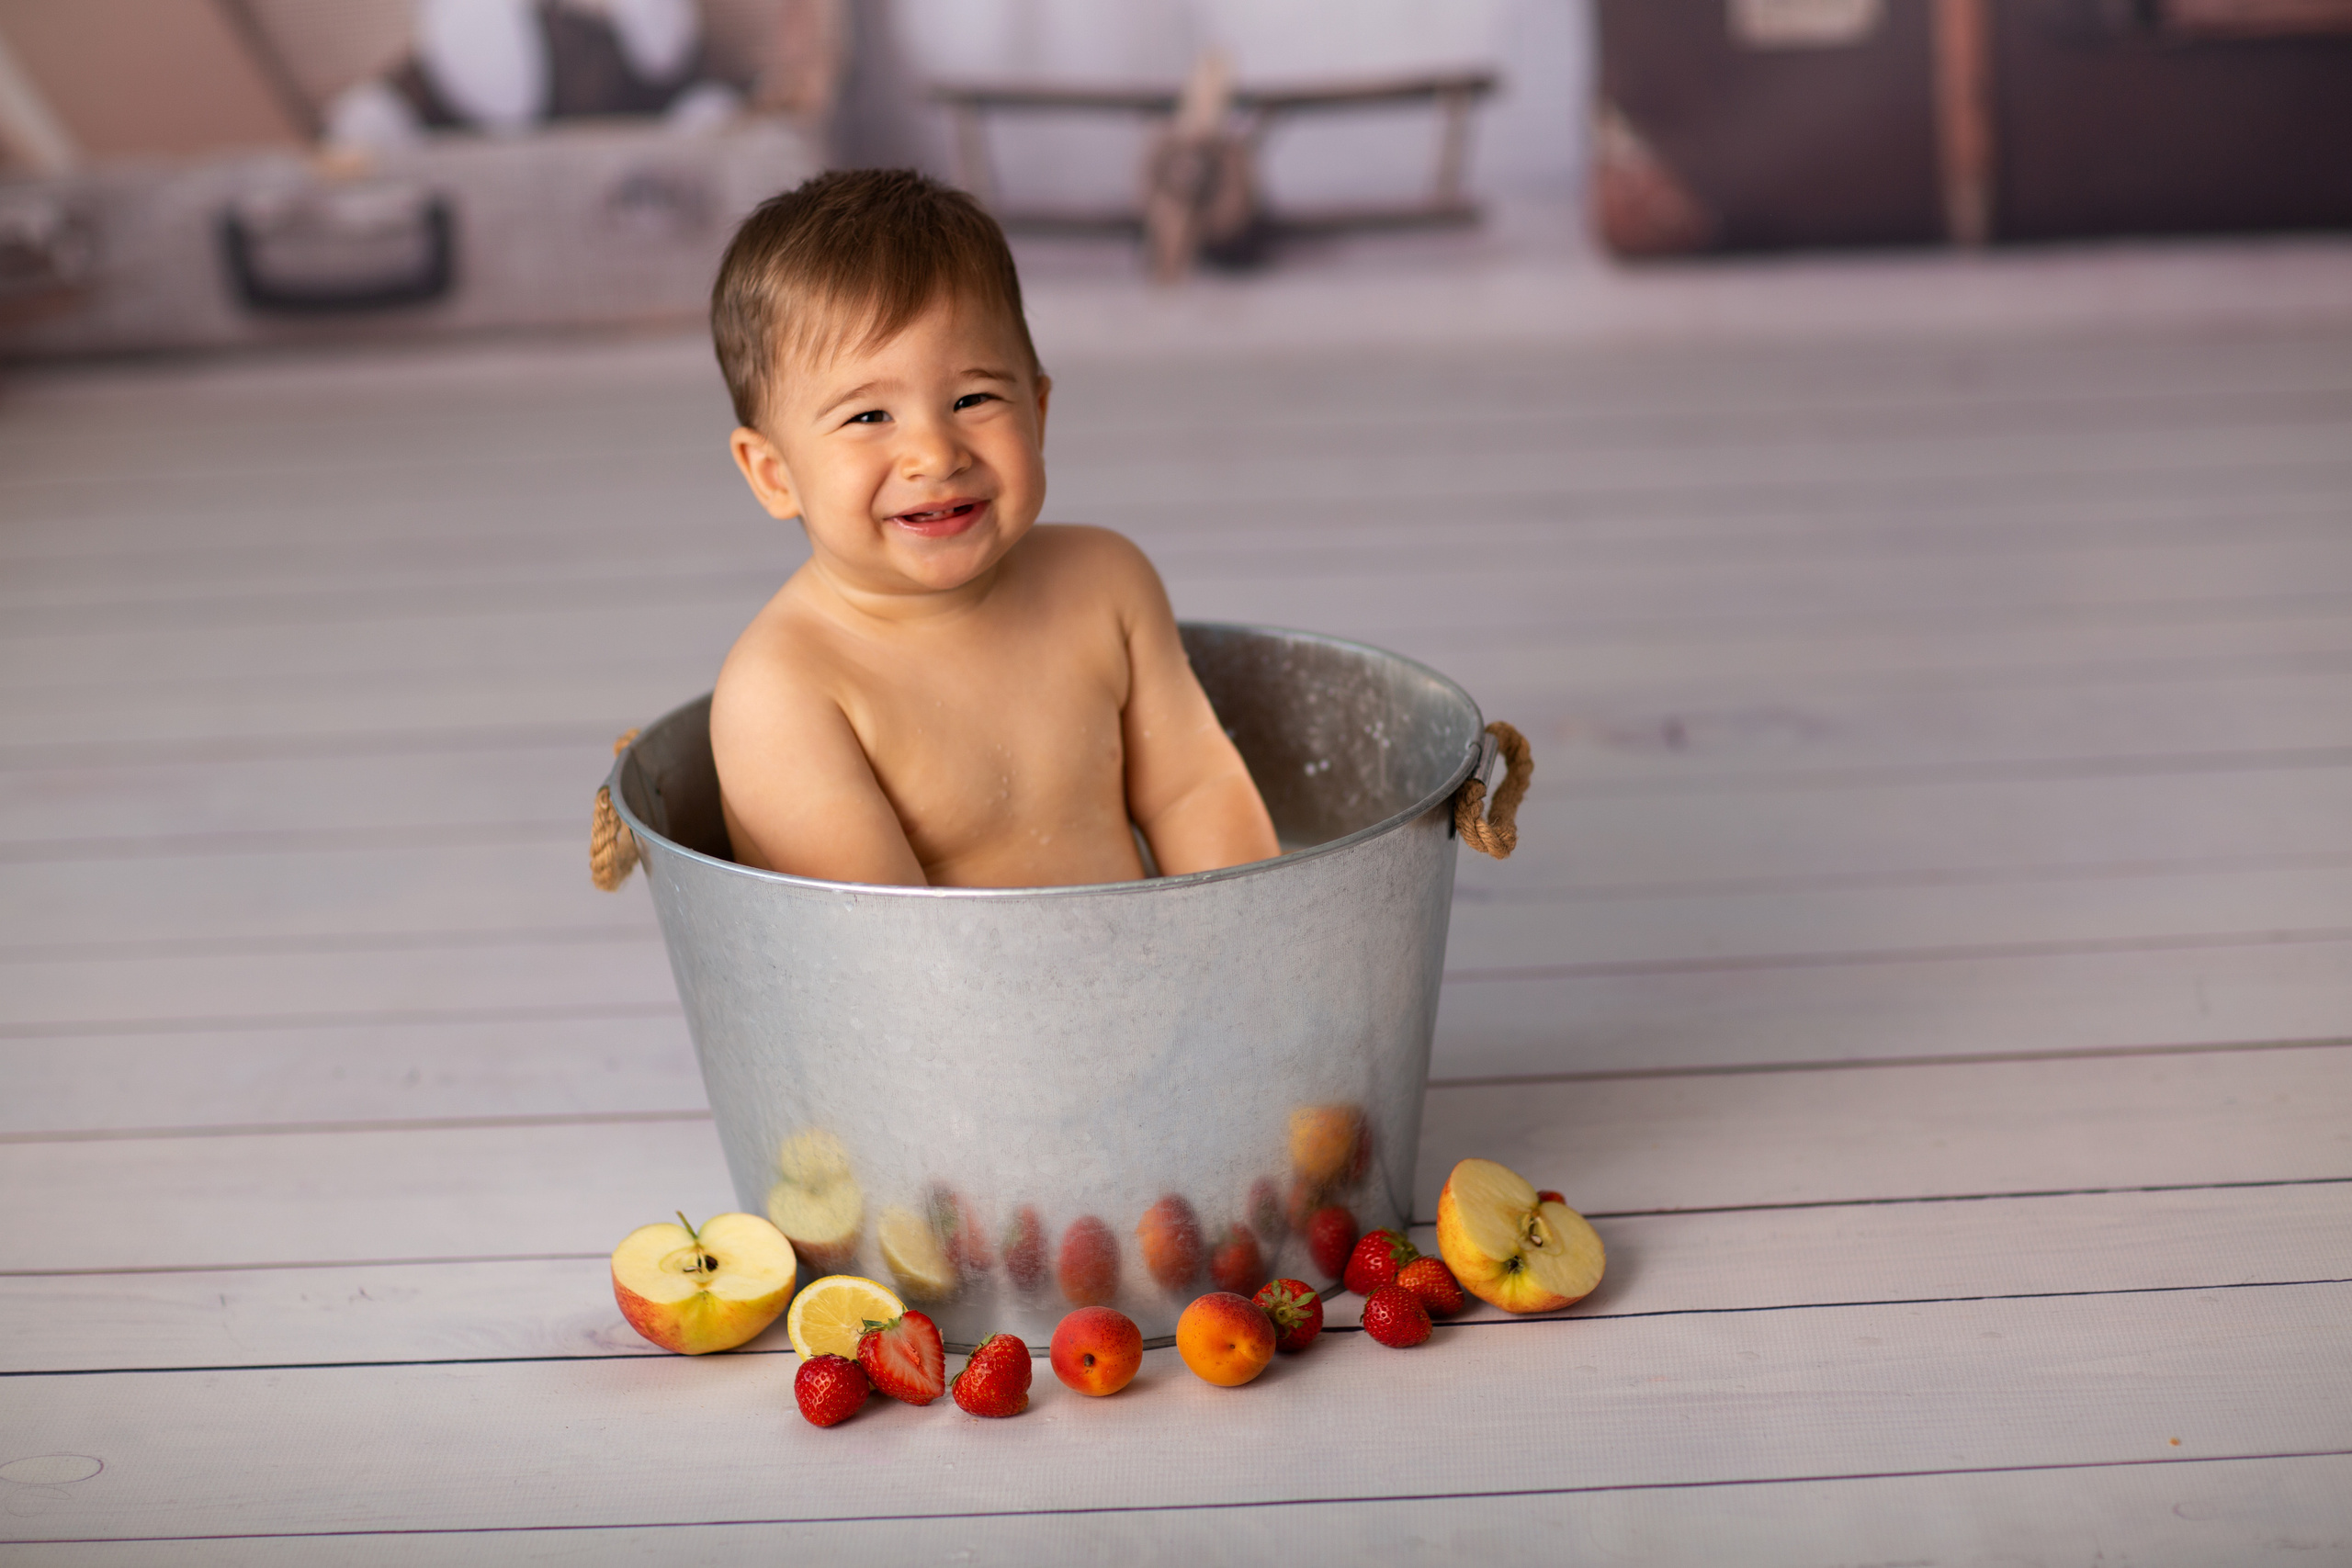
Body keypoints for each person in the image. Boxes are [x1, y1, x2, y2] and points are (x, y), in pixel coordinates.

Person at [707, 169, 1281, 888]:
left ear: (1038, 414)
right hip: (921, 997)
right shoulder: (784, 688)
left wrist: (1248, 950)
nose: (936, 454)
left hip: (1145, 984)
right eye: (868, 416)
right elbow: (875, 946)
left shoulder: (1106, 583)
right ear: (773, 473)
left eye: (973, 397)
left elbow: (1193, 790)